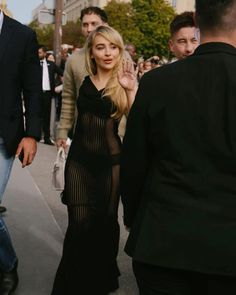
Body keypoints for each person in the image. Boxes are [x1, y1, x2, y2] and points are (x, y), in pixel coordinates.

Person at [120, 0, 236, 294]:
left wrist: (134, 217)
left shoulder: (158, 82)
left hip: (162, 239)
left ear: (197, 19)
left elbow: (134, 161)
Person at [51, 25, 137, 295]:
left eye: (113, 46)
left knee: (104, 223)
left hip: (111, 163)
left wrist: (131, 91)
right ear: (92, 52)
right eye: (101, 47)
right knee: (78, 224)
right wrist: (62, 132)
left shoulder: (124, 80)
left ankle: (99, 283)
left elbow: (138, 124)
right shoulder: (84, 77)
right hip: (80, 161)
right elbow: (67, 101)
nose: (107, 52)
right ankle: (70, 286)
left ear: (119, 49)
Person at [0, 10, 41, 294]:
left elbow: (33, 89)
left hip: (4, 136)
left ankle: (7, 263)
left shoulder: (23, 35)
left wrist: (31, 134)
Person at [56, 6, 108, 143]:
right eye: (85, 25)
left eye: (94, 24)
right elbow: (68, 98)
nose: (89, 29)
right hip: (82, 136)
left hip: (116, 137)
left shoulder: (121, 56)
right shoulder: (73, 60)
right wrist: (62, 130)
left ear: (105, 25)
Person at [38, 45, 63, 145]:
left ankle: (47, 137)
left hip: (48, 93)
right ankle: (36, 136)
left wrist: (61, 86)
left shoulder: (51, 64)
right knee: (36, 114)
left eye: (39, 52)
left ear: (44, 53)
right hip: (37, 93)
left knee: (46, 115)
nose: (38, 54)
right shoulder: (34, 64)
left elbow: (63, 73)